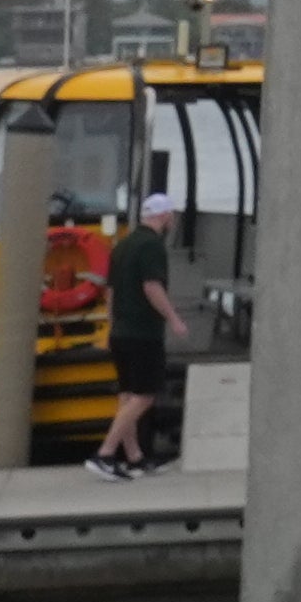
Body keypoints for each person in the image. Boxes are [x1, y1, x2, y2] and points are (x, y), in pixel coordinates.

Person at [90, 183, 179, 478]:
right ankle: (105, 453)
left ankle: (135, 457)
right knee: (144, 396)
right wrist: (174, 318)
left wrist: (111, 326)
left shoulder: (123, 245)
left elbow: (110, 292)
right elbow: (152, 286)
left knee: (127, 395)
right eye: (171, 216)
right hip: (144, 332)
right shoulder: (152, 246)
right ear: (165, 216)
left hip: (120, 333)